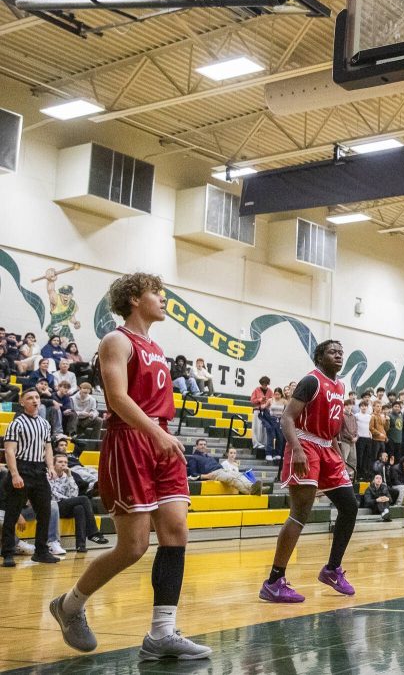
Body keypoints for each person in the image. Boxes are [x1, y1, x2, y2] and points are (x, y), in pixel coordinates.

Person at [49, 273, 211, 660]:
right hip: (131, 442)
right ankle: (69, 605)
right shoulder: (116, 340)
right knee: (133, 546)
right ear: (135, 299)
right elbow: (118, 397)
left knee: (176, 532)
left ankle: (162, 632)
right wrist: (154, 432)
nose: (163, 299)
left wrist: (161, 434)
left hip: (161, 440)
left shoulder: (156, 345)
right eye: (157, 293)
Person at [260, 341, 359, 603]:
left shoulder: (340, 386)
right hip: (305, 444)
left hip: (328, 448)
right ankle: (273, 580)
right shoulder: (311, 381)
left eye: (341, 351)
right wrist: (297, 449)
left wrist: (338, 455)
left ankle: (332, 569)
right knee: (300, 514)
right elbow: (287, 418)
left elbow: (333, 428)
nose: (338, 355)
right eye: (332, 352)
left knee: (349, 506)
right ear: (319, 357)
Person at [1, 389, 60, 567]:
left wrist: (50, 466)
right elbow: (9, 451)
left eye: (37, 397)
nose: (35, 400)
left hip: (39, 470)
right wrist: (15, 474)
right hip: (22, 468)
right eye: (30, 398)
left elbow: (48, 448)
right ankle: (8, 553)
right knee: (12, 513)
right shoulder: (16, 424)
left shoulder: (44, 423)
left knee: (45, 511)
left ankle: (41, 551)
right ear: (22, 402)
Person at [49, 453, 107, 553]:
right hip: (54, 506)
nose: (63, 464)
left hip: (65, 505)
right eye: (60, 462)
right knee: (84, 499)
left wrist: (70, 476)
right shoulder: (48, 475)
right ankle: (93, 533)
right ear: (53, 464)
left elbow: (74, 494)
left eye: (65, 462)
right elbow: (53, 494)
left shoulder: (67, 476)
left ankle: (81, 545)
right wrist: (68, 499)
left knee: (79, 508)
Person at [187, 439, 261, 495]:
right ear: (196, 446)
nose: (203, 446)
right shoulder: (193, 458)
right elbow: (193, 474)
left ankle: (253, 486)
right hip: (213, 474)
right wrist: (206, 476)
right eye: (201, 444)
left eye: (204, 444)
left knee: (239, 475)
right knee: (231, 478)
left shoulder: (209, 457)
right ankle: (251, 491)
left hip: (222, 470)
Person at [354, 400, 373, 481]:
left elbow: (369, 427)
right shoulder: (356, 415)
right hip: (360, 438)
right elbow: (354, 426)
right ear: (360, 407)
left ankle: (366, 474)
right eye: (362, 406)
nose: (364, 407)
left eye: (365, 406)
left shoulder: (369, 416)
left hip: (368, 438)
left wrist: (370, 433)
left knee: (367, 457)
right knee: (360, 456)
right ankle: (359, 474)